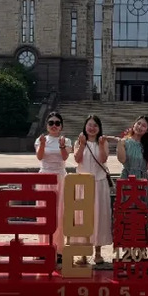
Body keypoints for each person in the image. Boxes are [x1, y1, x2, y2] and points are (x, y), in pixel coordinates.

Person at [73, 115, 112, 265]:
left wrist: (101, 145)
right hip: (83, 184)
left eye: (95, 125)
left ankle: (98, 252)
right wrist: (82, 144)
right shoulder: (79, 141)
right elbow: (77, 159)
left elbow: (103, 159)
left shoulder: (103, 142)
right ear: (85, 126)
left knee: (99, 217)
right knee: (82, 218)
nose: (92, 128)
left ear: (99, 128)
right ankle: (83, 253)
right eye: (90, 125)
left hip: (99, 183)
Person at [34, 111, 72, 265]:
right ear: (47, 125)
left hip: (60, 178)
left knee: (59, 213)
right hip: (44, 177)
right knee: (43, 213)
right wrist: (43, 144)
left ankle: (59, 250)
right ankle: (43, 247)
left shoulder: (66, 140)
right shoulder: (41, 139)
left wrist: (62, 146)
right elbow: (39, 157)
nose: (54, 125)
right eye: (51, 123)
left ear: (61, 126)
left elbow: (65, 157)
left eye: (57, 123)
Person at [117, 115, 148, 179]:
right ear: (134, 124)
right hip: (127, 177)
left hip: (143, 180)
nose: (139, 127)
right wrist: (119, 143)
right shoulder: (124, 142)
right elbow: (122, 160)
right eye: (138, 123)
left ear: (147, 130)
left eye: (143, 126)